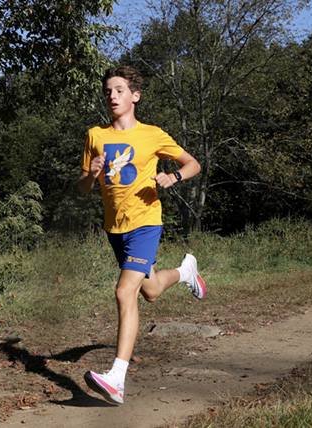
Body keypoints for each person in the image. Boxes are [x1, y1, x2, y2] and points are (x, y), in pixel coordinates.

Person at [78, 65, 206, 405]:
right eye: (108, 91)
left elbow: (193, 164)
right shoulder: (95, 136)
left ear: (135, 96)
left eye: (119, 90)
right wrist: (90, 174)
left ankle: (117, 378)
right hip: (115, 228)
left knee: (124, 293)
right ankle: (185, 272)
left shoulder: (153, 135)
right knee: (149, 291)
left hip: (146, 224)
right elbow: (83, 187)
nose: (112, 96)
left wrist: (174, 177)